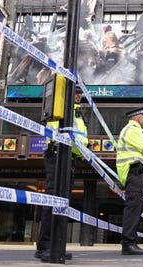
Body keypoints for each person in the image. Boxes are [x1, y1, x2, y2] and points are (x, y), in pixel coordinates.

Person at [36, 86, 89, 262]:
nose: (79, 95)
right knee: (53, 201)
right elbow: (61, 134)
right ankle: (44, 247)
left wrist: (84, 150)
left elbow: (80, 139)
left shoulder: (78, 113)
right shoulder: (60, 109)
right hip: (58, 157)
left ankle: (56, 246)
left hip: (70, 160)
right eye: (75, 92)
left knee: (62, 204)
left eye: (80, 92)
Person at [116, 108, 143, 255]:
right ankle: (128, 244)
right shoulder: (132, 130)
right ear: (138, 118)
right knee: (133, 209)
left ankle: (130, 242)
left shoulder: (133, 131)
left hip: (137, 174)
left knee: (135, 208)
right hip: (134, 173)